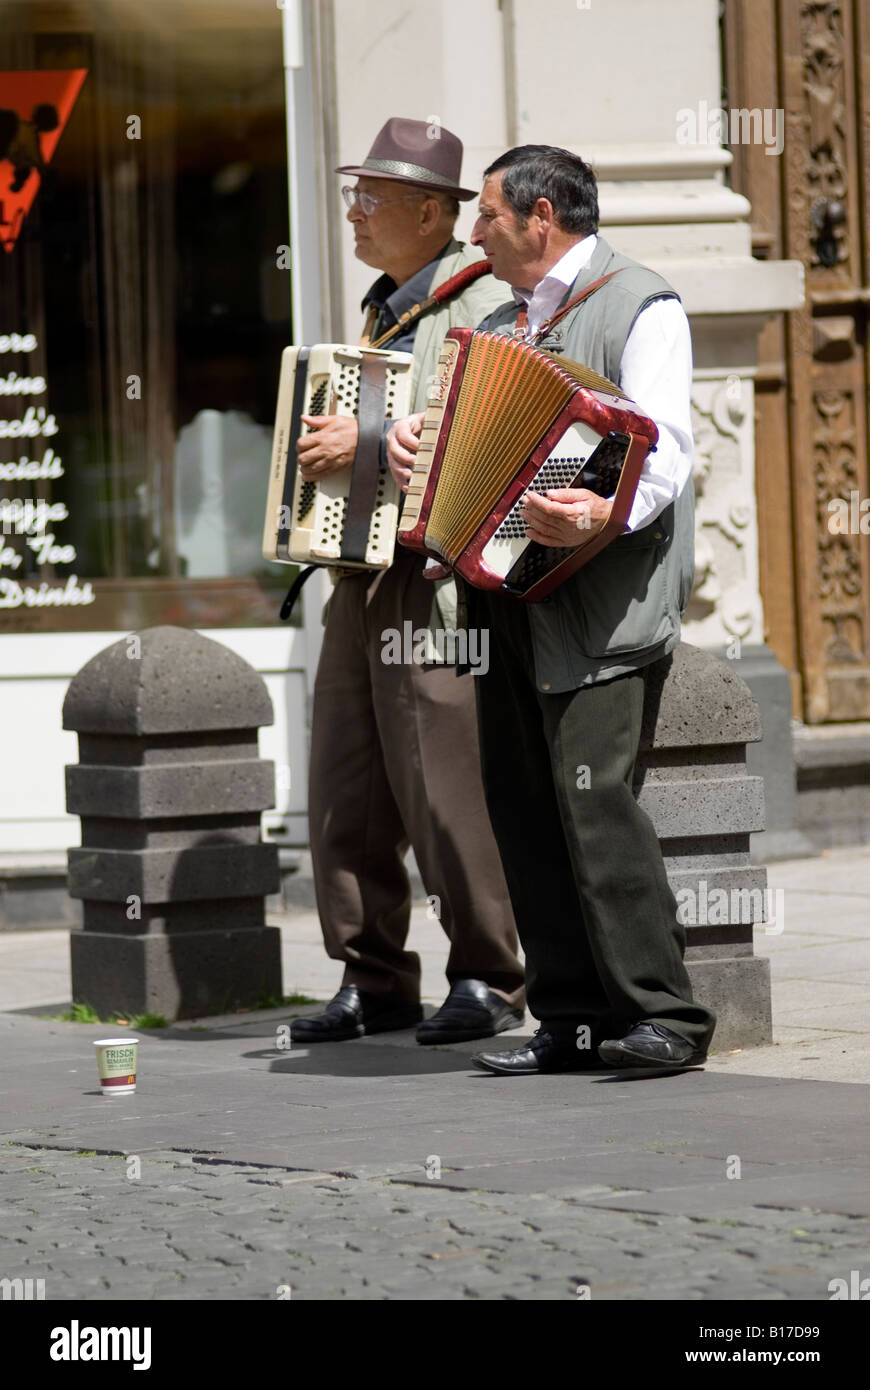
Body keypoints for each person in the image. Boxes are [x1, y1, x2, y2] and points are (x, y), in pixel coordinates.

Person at [387, 144, 716, 1074]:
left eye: (487, 215)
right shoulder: (497, 319)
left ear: (541, 218)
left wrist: (588, 514)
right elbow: (454, 434)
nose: (473, 231)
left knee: (595, 804)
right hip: (501, 597)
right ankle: (568, 1020)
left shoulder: (641, 302)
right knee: (523, 806)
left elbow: (664, 453)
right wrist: (417, 440)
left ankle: (665, 1016)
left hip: (601, 602)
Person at [290, 118, 524, 1048]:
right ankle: (372, 976)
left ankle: (489, 976)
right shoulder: (383, 306)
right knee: (346, 780)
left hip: (438, 582)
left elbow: (484, 438)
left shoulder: (481, 308)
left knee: (442, 784)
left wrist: (369, 444)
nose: (353, 213)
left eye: (370, 198)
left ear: (433, 213)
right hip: (361, 572)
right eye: (353, 195)